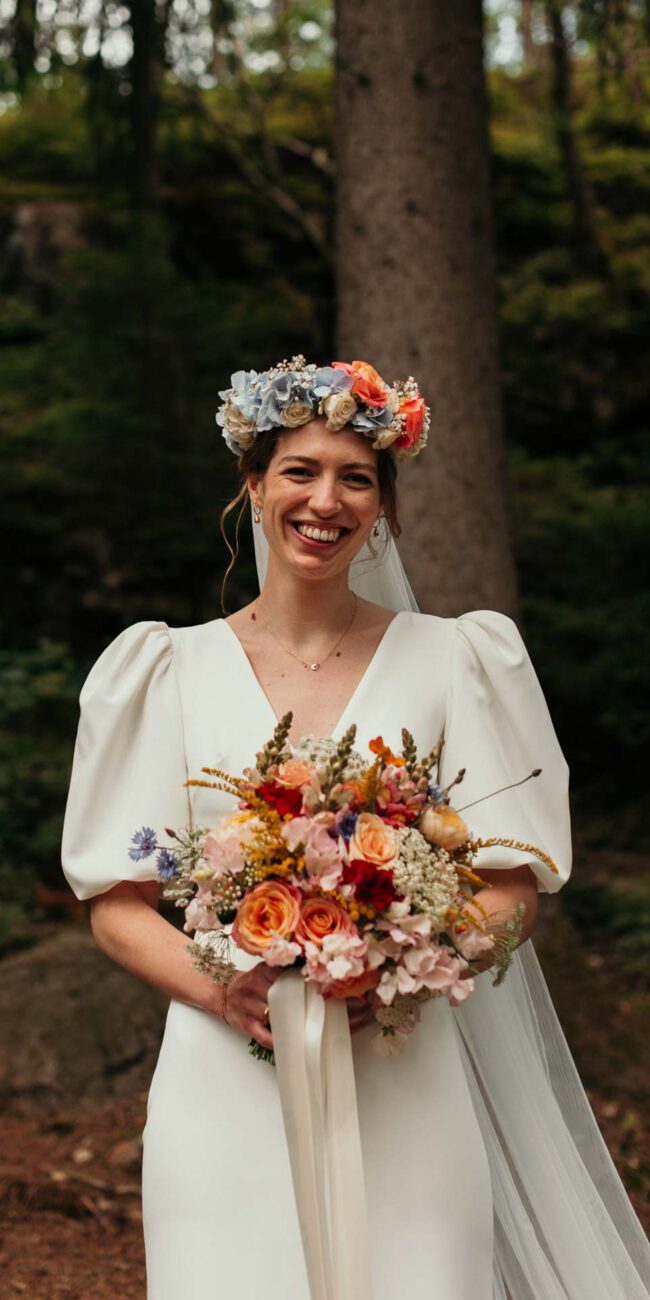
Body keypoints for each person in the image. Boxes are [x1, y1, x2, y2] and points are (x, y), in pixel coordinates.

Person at [61, 356, 649, 1300]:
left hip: (402, 1070)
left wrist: (408, 964)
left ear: (384, 508)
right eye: (299, 471)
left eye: (356, 478)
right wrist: (229, 989)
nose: (324, 501)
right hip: (222, 1090)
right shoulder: (163, 669)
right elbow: (117, 903)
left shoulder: (460, 658)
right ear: (254, 487)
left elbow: (511, 884)